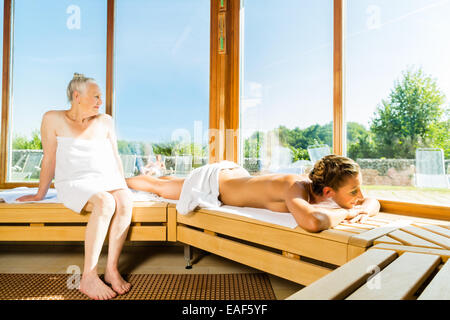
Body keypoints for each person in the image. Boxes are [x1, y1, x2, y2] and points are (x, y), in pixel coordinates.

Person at [17, 73, 133, 300]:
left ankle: (111, 270)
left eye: (101, 97)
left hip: (106, 178)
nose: (100, 101)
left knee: (125, 200)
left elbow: (115, 157)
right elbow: (49, 158)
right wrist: (40, 193)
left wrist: (122, 185)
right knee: (105, 202)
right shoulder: (53, 118)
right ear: (77, 96)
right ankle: (89, 276)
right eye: (96, 96)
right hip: (74, 181)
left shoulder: (106, 121)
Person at [126, 155, 380, 233]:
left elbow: (373, 201)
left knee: (170, 181)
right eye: (354, 192)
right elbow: (312, 221)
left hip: (234, 175)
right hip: (214, 182)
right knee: (159, 187)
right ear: (328, 191)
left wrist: (364, 208)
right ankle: (117, 181)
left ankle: (147, 179)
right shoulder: (296, 188)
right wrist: (349, 213)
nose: (360, 196)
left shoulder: (323, 190)